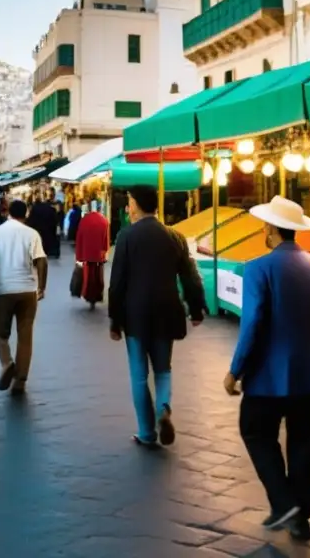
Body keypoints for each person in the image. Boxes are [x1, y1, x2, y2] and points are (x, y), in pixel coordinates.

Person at [224, 196, 310, 540]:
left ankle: (283, 502)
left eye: (266, 225)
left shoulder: (258, 268)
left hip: (265, 377)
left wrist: (235, 370)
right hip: (308, 375)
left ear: (272, 229)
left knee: (256, 432)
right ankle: (300, 517)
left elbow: (252, 325)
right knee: (306, 445)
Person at [108, 185, 206, 448]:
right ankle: (163, 408)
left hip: (136, 315)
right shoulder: (175, 237)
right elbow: (190, 277)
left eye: (129, 202)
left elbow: (116, 283)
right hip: (167, 311)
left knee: (139, 375)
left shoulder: (127, 236)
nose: (127, 208)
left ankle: (147, 432)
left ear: (138, 204)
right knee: (163, 370)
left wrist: (114, 320)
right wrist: (196, 309)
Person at [0, 199, 47, 395]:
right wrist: (42, 287)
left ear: (8, 213)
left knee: (0, 333)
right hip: (27, 289)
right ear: (26, 213)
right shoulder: (32, 233)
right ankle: (20, 380)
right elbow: (41, 261)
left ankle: (6, 362)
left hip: (5, 289)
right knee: (25, 335)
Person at [75, 205, 109, 308]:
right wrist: (105, 252)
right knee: (98, 275)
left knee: (88, 276)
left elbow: (79, 238)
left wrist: (78, 255)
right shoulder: (104, 221)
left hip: (87, 254)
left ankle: (88, 295)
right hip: (99, 255)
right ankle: (97, 295)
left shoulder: (84, 221)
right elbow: (106, 240)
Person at [28, 195, 60, 259]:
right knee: (49, 239)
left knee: (40, 241)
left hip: (38, 228)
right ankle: (49, 252)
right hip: (49, 228)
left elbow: (31, 220)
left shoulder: (34, 208)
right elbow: (55, 220)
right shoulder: (51, 208)